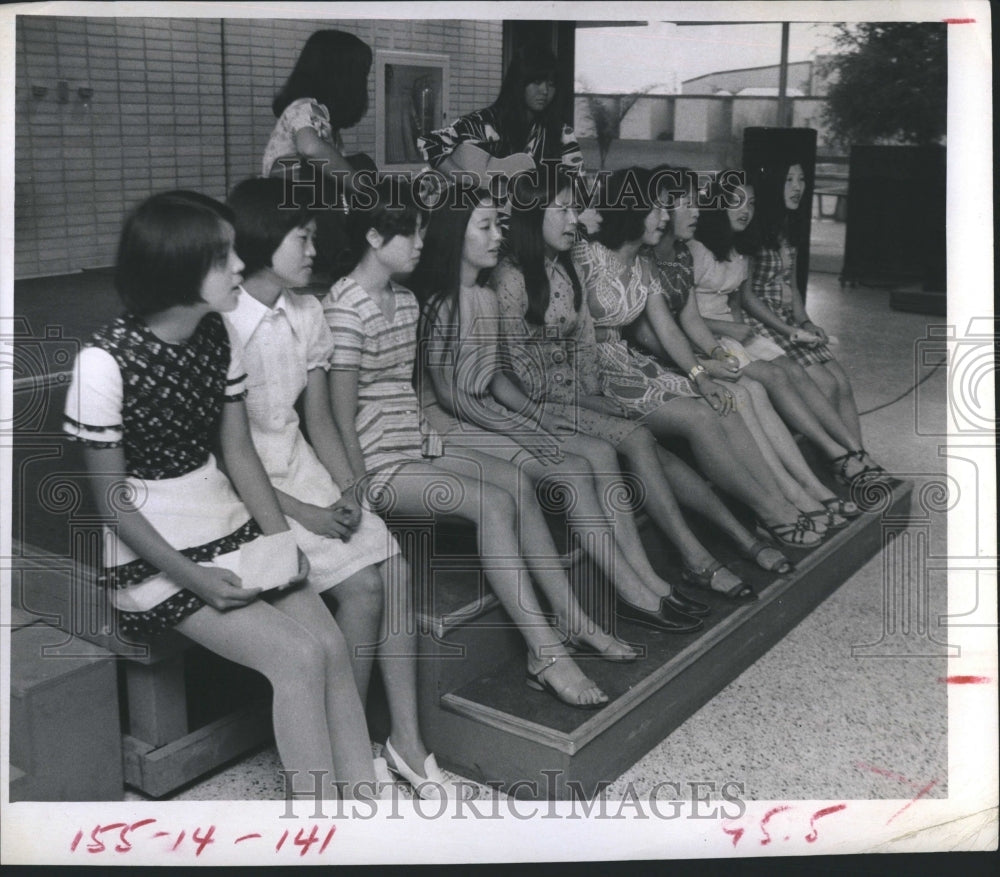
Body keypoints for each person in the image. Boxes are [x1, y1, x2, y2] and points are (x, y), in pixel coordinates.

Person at [63, 191, 382, 800]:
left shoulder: (217, 335)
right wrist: (196, 579)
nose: (240, 265)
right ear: (177, 268)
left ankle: (365, 805)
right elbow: (114, 506)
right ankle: (320, 824)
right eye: (222, 257)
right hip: (153, 550)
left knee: (330, 646)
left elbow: (239, 455)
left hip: (223, 517)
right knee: (296, 658)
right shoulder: (103, 362)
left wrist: (281, 542)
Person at [321, 180, 615, 710]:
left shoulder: (405, 301)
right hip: (378, 461)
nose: (421, 243)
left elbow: (409, 392)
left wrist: (432, 440)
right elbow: (340, 418)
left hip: (417, 443)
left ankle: (571, 617)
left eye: (422, 232)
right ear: (373, 237)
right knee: (491, 502)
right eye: (409, 233)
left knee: (517, 482)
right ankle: (546, 652)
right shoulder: (344, 307)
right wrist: (358, 491)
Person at [225, 177, 458, 800]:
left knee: (393, 564)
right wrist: (307, 511)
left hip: (301, 466)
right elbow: (227, 456)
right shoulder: (224, 321)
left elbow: (322, 420)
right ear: (263, 240)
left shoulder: (307, 314)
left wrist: (350, 489)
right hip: (247, 488)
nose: (313, 251)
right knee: (363, 586)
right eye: (302, 238)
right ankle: (347, 748)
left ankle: (406, 742)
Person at [414, 180, 717, 615]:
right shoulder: (440, 302)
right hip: (456, 423)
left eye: (498, 224)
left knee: (601, 452)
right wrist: (525, 425)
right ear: (454, 234)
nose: (498, 235)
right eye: (486, 226)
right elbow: (451, 397)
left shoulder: (482, 295)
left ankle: (644, 577)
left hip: (492, 410)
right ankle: (629, 590)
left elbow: (497, 379)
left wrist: (536, 416)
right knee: (575, 466)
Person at [573, 167, 823, 551]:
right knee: (701, 417)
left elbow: (668, 328)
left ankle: (779, 500)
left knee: (723, 402)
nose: (664, 217)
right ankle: (770, 511)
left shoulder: (644, 263)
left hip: (627, 363)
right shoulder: (585, 255)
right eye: (657, 208)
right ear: (631, 209)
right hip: (589, 371)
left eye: (665, 208)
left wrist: (701, 376)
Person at [633, 168, 860, 528]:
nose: (696, 211)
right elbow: (655, 334)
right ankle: (787, 495)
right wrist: (703, 367)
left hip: (689, 348)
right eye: (684, 204)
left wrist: (717, 353)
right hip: (657, 359)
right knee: (743, 393)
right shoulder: (647, 258)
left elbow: (690, 319)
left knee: (755, 387)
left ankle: (809, 485)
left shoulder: (680, 254)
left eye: (696, 202)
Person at [690, 177, 886, 488]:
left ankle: (854, 450)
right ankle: (836, 453)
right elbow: (684, 315)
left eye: (751, 203)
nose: (745, 210)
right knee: (777, 376)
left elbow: (737, 302)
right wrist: (733, 331)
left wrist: (747, 336)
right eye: (735, 202)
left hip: (732, 332)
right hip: (705, 335)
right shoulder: (695, 250)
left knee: (794, 370)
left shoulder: (739, 249)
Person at [743, 161, 882, 485]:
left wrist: (805, 321)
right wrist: (789, 330)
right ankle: (840, 464)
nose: (797, 187)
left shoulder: (787, 226)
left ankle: (861, 457)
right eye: (789, 179)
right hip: (763, 321)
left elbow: (791, 286)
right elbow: (746, 297)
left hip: (788, 320)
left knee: (841, 381)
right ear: (773, 185)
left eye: (802, 179)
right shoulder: (753, 229)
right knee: (826, 384)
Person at [263, 29, 376, 279]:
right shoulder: (304, 107)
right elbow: (311, 149)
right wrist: (362, 187)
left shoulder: (326, 122)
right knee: (333, 168)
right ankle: (342, 254)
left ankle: (362, 244)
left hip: (312, 208)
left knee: (359, 164)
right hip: (285, 203)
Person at [418, 45, 583, 187]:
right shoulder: (483, 123)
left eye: (551, 84)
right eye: (537, 82)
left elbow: (578, 188)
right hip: (481, 213)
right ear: (519, 82)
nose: (545, 91)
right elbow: (429, 143)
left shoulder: (562, 134)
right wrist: (469, 180)